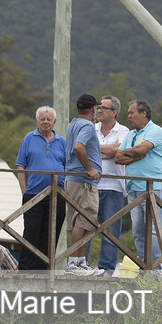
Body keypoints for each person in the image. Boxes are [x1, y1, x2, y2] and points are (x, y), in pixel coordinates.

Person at [115, 100, 162, 275]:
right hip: (133, 187)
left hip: (154, 186)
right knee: (138, 231)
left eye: (131, 113)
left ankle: (155, 271)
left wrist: (137, 151)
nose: (128, 116)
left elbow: (141, 149)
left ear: (143, 113)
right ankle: (144, 268)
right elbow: (118, 158)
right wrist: (138, 154)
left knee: (152, 230)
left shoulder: (155, 130)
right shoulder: (130, 134)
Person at [15, 106, 67, 271]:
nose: (45, 122)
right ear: (37, 121)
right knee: (31, 232)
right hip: (33, 195)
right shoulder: (28, 138)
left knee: (51, 234)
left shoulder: (62, 142)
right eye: (42, 119)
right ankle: (26, 271)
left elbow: (68, 168)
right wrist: (24, 191)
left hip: (57, 196)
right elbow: (20, 167)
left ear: (54, 122)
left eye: (48, 119)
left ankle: (45, 270)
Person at [62, 94, 103, 276]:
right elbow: (78, 147)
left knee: (79, 220)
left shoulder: (73, 124)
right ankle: (73, 264)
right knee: (84, 220)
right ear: (93, 109)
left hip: (72, 179)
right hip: (83, 181)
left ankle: (79, 262)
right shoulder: (87, 125)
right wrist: (89, 169)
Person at [92, 95, 128, 278]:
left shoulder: (124, 131)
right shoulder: (91, 128)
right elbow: (83, 150)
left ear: (114, 112)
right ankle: (80, 266)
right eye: (98, 107)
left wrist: (94, 151)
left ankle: (106, 270)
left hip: (114, 187)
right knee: (85, 228)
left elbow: (120, 151)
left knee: (111, 232)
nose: (98, 110)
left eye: (103, 108)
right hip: (91, 187)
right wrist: (110, 150)